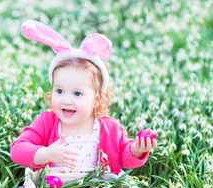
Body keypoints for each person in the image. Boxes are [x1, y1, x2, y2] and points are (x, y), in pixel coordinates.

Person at [11, 20, 157, 177]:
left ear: (97, 100)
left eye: (77, 94)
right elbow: (17, 150)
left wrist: (136, 150)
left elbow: (124, 157)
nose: (66, 100)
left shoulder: (109, 129)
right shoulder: (47, 122)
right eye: (59, 91)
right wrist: (46, 154)